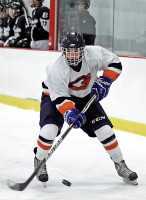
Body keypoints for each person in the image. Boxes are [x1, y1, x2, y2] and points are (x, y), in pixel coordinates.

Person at [34, 32, 138, 186]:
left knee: (105, 130)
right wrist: (69, 112)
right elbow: (60, 97)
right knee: (49, 130)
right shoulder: (55, 68)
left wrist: (106, 80)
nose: (72, 55)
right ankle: (39, 161)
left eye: (76, 50)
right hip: (54, 96)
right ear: (63, 51)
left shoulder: (94, 53)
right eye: (68, 51)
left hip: (85, 95)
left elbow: (115, 63)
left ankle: (120, 165)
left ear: (83, 49)